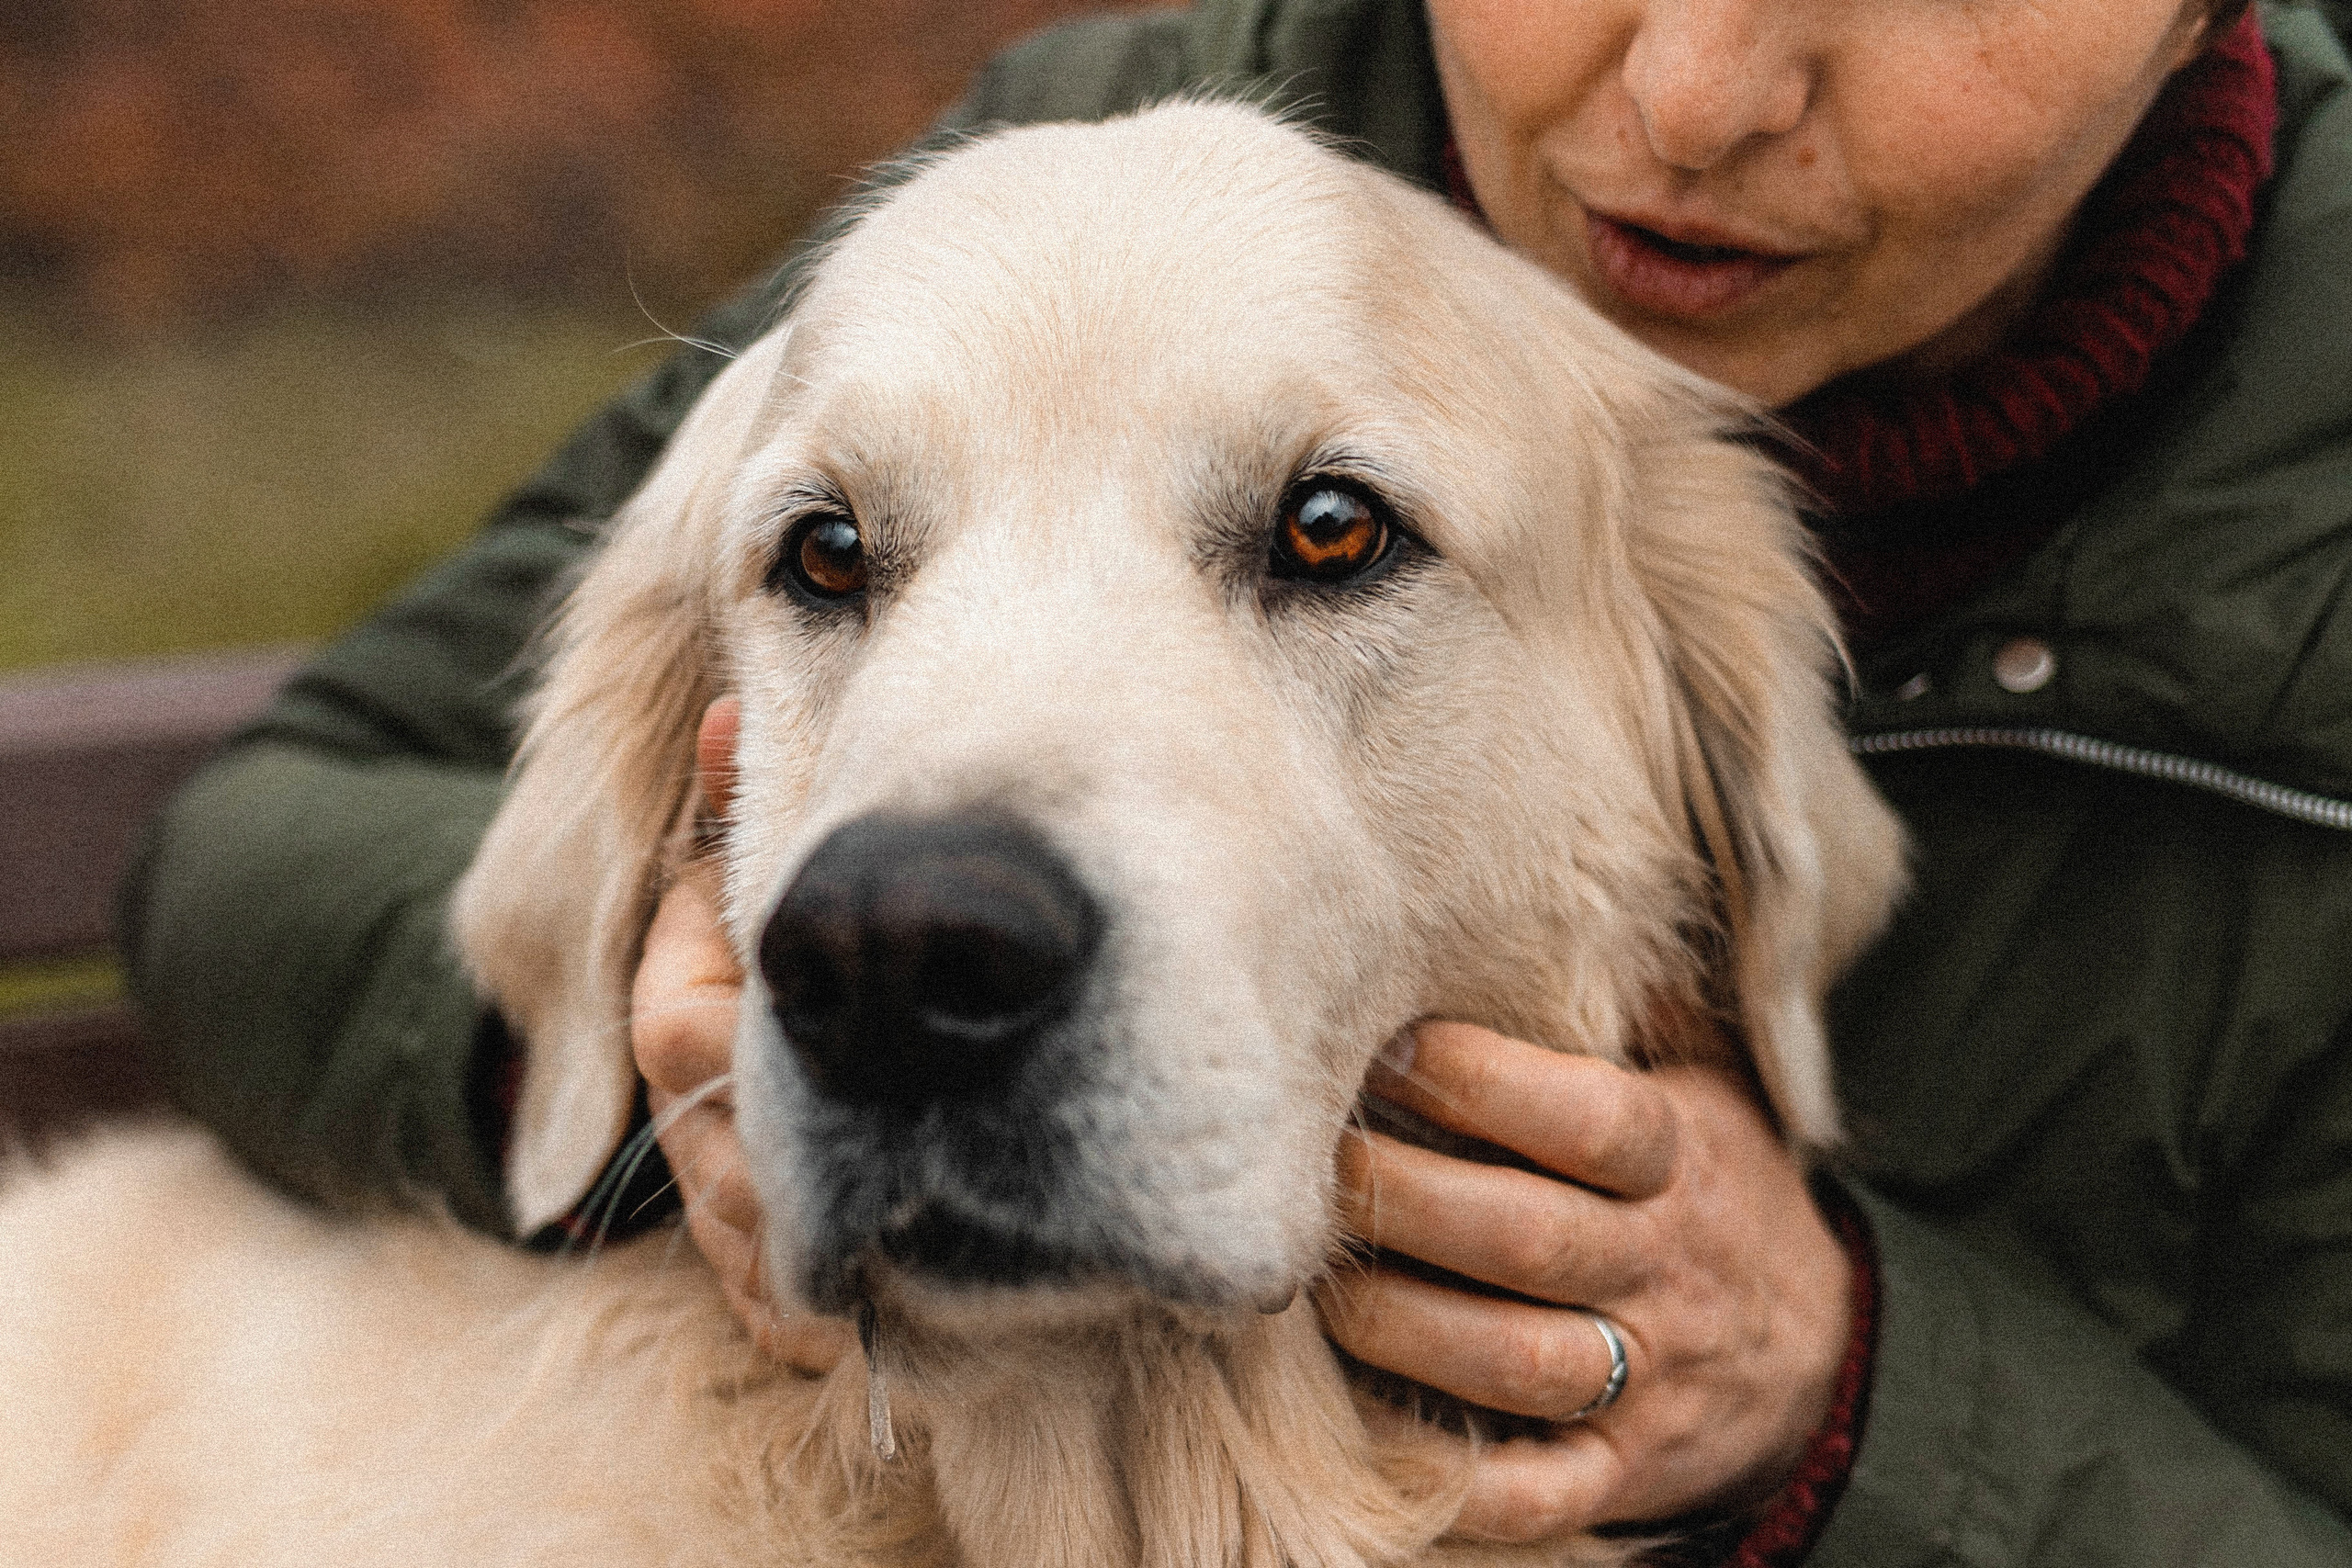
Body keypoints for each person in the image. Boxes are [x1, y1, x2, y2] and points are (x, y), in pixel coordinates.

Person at [123, 0, 2352, 1562]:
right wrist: (653, 1016)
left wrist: (1842, 1387)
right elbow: (275, 833)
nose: (1684, 93)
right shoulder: (1070, 189)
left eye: (1324, 532)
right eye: (835, 558)